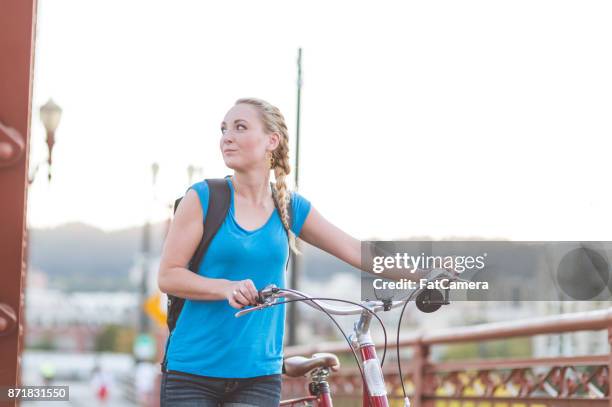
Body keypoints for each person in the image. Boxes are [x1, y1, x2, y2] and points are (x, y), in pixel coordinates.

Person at [157, 97, 423, 406]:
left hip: (258, 374)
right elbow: (169, 276)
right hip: (192, 371)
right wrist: (225, 287)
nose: (226, 136)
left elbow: (354, 249)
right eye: (224, 129)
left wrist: (423, 274)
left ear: (272, 140)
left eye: (240, 127)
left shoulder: (289, 208)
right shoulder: (202, 197)